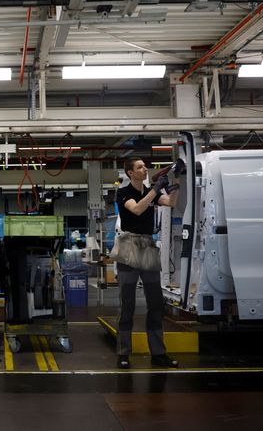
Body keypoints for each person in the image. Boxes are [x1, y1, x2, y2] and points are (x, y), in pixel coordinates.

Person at [115, 157, 180, 369]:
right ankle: (123, 353)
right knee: (128, 304)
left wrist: (174, 185)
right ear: (129, 173)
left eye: (145, 166)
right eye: (140, 167)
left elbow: (170, 204)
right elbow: (137, 209)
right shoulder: (123, 192)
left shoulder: (152, 191)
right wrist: (155, 189)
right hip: (128, 244)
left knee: (156, 303)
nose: (144, 170)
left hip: (147, 244)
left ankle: (159, 353)